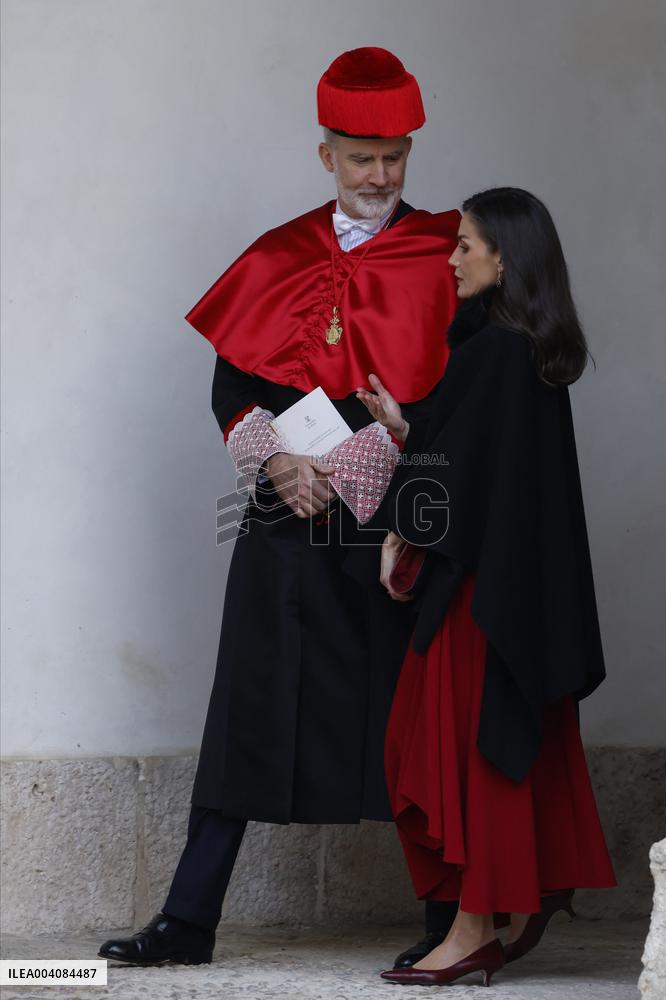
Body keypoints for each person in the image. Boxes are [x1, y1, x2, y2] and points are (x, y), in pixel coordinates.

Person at [99, 47, 462, 968]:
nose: (379, 176)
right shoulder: (277, 253)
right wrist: (277, 470)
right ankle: (188, 919)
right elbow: (230, 389)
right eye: (359, 158)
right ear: (325, 155)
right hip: (281, 508)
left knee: (410, 701)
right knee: (248, 698)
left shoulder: (448, 252)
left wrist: (361, 468)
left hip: (399, 508)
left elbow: (465, 399)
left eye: (395, 157)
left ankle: (448, 920)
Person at [356, 187, 616, 987]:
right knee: (457, 744)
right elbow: (479, 457)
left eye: (466, 244)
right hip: (504, 589)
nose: (452, 256)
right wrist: (411, 430)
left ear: (505, 257)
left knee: (462, 752)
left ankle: (472, 932)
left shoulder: (498, 351)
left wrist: (403, 530)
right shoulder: (519, 348)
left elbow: (464, 481)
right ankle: (495, 912)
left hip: (482, 597)